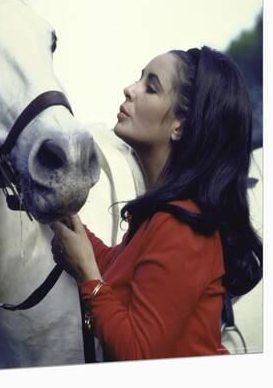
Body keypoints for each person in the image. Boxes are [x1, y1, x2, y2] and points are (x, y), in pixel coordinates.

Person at [51, 46, 262, 361]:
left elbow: (139, 356)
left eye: (150, 87)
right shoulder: (163, 217)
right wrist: (62, 213)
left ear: (180, 125)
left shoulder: (182, 225)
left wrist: (87, 276)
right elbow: (117, 268)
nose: (130, 89)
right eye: (139, 79)